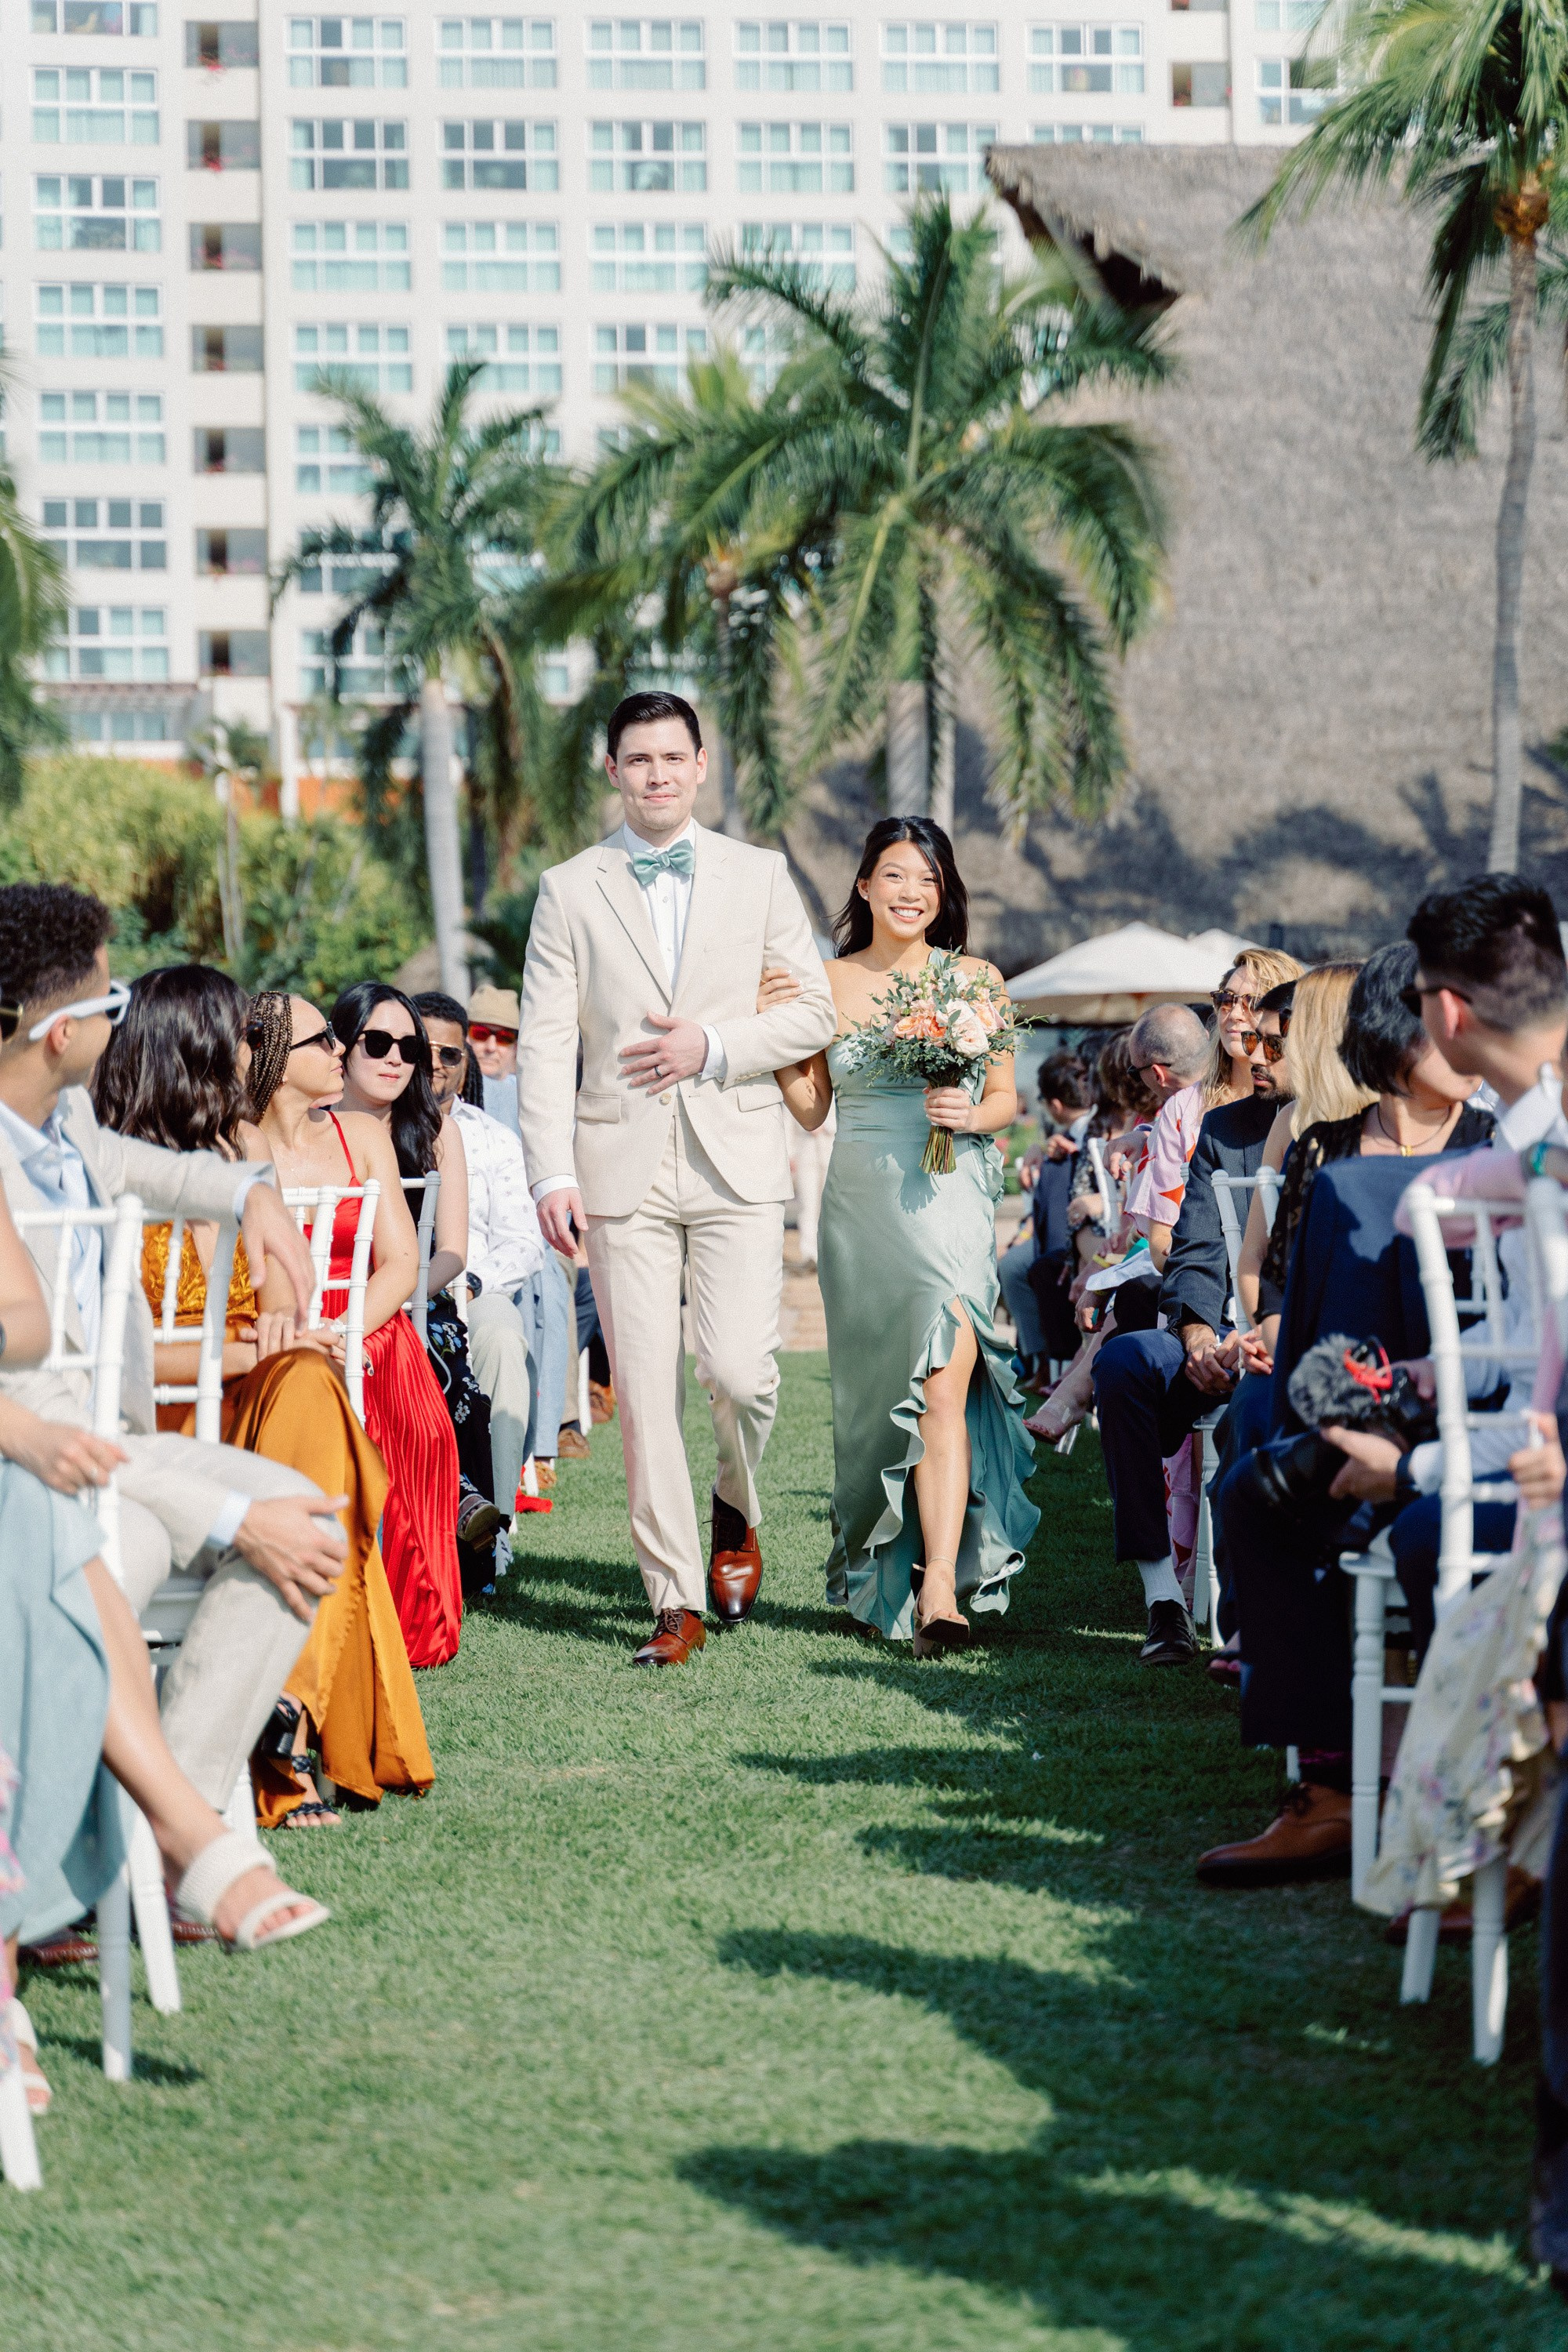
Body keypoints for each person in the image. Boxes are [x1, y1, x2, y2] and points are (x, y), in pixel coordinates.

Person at [1197, 880, 1564, 1889]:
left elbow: (1530, 1371)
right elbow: (1510, 1337)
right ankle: (1328, 1785)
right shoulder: (1352, 1152)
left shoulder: (1521, 1148)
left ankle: (1399, 1792)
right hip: (1413, 1390)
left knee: (1321, 1494)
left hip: (1493, 1442)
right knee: (1262, 1451)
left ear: (1445, 1013)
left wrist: (1413, 1463)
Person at [0, 884, 349, 1816]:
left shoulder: (63, 1122)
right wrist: (234, 1519)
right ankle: (171, 1833)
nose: (124, 1017)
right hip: (38, 1463)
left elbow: (134, 1165)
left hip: (121, 1448)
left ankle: (169, 1822)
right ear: (59, 1034)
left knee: (309, 1525)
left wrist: (248, 1195)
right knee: (190, 1543)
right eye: (110, 1002)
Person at [518, 688, 837, 1665]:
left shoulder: (762, 876)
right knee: (645, 1391)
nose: (656, 774)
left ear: (702, 765)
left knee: (739, 1374)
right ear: (611, 772)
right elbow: (542, 1043)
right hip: (616, 1169)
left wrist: (713, 1045)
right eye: (638, 760)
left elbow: (814, 1013)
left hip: (737, 1157)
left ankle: (734, 1506)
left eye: (673, 757)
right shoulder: (568, 888)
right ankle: (673, 1599)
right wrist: (547, 1175)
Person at [91, 966, 434, 1830]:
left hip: (254, 1403)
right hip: (156, 1420)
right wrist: (248, 1343)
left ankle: (281, 1712)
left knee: (314, 1384)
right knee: (317, 1418)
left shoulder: (240, 1154)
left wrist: (279, 1325)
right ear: (189, 1050)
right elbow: (119, 1358)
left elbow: (285, 1289)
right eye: (238, 1036)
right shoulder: (100, 1169)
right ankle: (277, 1717)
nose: (254, 1051)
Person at [767, 817, 1040, 1652]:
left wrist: (969, 1113)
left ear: (942, 891)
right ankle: (883, 1563)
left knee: (945, 1384)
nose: (909, 892)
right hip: (861, 1202)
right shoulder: (825, 980)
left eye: (925, 878)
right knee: (882, 1404)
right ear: (862, 886)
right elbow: (813, 1107)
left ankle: (941, 1591)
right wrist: (778, 1037)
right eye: (892, 876)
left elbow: (1004, 1100)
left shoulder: (977, 980)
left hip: (950, 1195)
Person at [245, 989, 464, 1669]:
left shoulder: (363, 1136)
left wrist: (345, 1333)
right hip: (275, 1337)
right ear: (280, 1063)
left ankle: (403, 1608)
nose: (341, 1050)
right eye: (325, 1042)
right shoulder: (235, 1144)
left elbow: (402, 1264)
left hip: (365, 1326)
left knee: (422, 1427)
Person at [1088, 1007, 1290, 1665]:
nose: (1254, 1050)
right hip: (1212, 1330)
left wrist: (1250, 1334)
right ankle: (1163, 1603)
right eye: (1251, 1036)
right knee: (1123, 1362)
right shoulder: (1222, 1127)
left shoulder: (1343, 1131)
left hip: (1279, 1336)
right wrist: (1201, 1335)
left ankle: (1253, 1617)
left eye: (1272, 1039)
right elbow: (1194, 1248)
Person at [416, 993, 548, 1552]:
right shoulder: (364, 1126)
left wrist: (470, 1282)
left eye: (451, 1055)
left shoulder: (494, 1139)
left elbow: (524, 1243)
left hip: (474, 1287)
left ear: (465, 1064)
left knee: (498, 1334)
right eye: (425, 1052)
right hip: (388, 1288)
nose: (437, 1066)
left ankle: (492, 1528)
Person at [999, 1051, 1088, 1379]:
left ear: (1054, 1105)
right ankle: (1040, 1360)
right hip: (1066, 1240)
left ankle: (1048, 1362)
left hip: (1083, 1242)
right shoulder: (1060, 1142)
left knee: (1028, 1267)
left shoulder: (1090, 1135)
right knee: (1017, 1265)